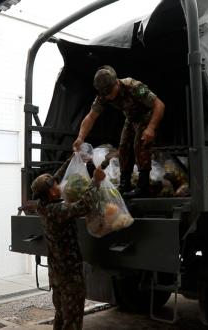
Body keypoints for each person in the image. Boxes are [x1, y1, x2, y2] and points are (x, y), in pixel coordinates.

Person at [31, 162, 105, 330]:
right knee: (72, 319)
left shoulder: (42, 206)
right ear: (51, 192)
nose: (60, 184)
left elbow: (55, 176)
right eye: (56, 184)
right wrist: (95, 182)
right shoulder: (57, 210)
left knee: (62, 314)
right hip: (69, 276)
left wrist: (74, 158)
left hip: (57, 275)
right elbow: (84, 206)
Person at [73, 65, 165, 198]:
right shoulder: (103, 95)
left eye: (111, 92)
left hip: (147, 115)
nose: (109, 97)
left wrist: (151, 128)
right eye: (106, 94)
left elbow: (159, 105)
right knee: (123, 147)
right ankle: (125, 184)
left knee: (140, 144)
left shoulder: (133, 86)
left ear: (117, 83)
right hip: (131, 118)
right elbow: (91, 117)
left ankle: (143, 186)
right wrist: (80, 138)